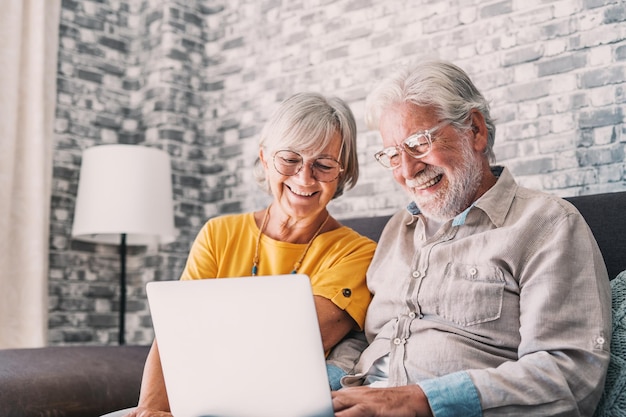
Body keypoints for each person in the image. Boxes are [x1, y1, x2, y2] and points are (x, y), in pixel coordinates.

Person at [330, 60, 612, 417]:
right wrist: (322, 381)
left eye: (419, 143)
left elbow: (571, 375)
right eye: (392, 154)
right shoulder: (398, 229)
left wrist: (420, 401)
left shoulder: (547, 225)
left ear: (475, 130)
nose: (406, 170)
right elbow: (370, 339)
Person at [126, 92, 376, 417]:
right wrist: (150, 409)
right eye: (289, 159)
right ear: (265, 158)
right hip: (196, 401)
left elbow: (289, 344)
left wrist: (202, 330)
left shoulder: (357, 252)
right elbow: (174, 336)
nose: (304, 178)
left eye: (324, 165)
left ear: (342, 173)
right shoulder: (219, 233)